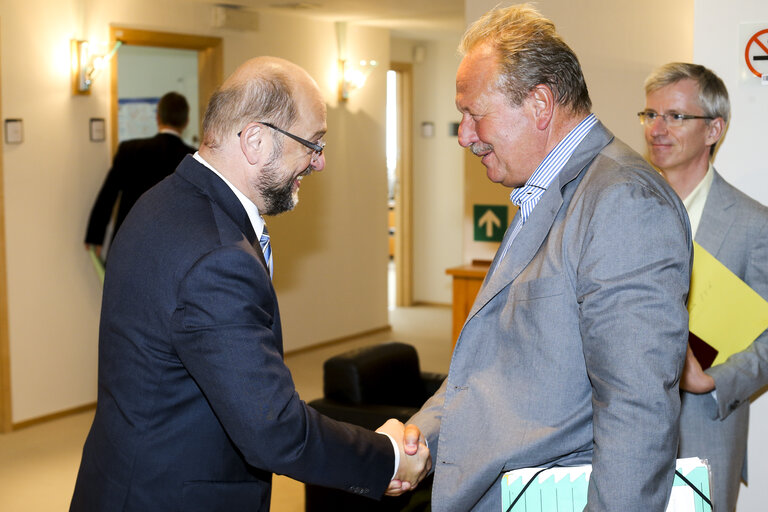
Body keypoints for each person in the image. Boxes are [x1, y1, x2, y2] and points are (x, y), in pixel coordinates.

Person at [70, 57, 430, 511]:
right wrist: (387, 457)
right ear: (256, 140)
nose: (320, 163)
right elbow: (273, 428)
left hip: (123, 481)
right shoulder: (218, 257)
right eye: (313, 143)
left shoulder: (161, 201)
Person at [405, 5, 693, 511]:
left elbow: (637, 411)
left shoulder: (623, 200)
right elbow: (497, 364)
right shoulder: (545, 189)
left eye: (474, 114)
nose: (465, 136)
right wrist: (418, 438)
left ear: (540, 104)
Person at [641, 62, 768, 511]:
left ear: (714, 129)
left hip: (704, 432)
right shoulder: (624, 209)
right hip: (620, 434)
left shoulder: (754, 225)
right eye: (650, 114)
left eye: (675, 116)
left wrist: (713, 380)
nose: (657, 129)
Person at [84, 91, 197, 258]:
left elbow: (108, 195)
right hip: (175, 250)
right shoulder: (193, 159)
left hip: (130, 245)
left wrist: (95, 236)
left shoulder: (129, 150)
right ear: (186, 122)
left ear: (157, 117)